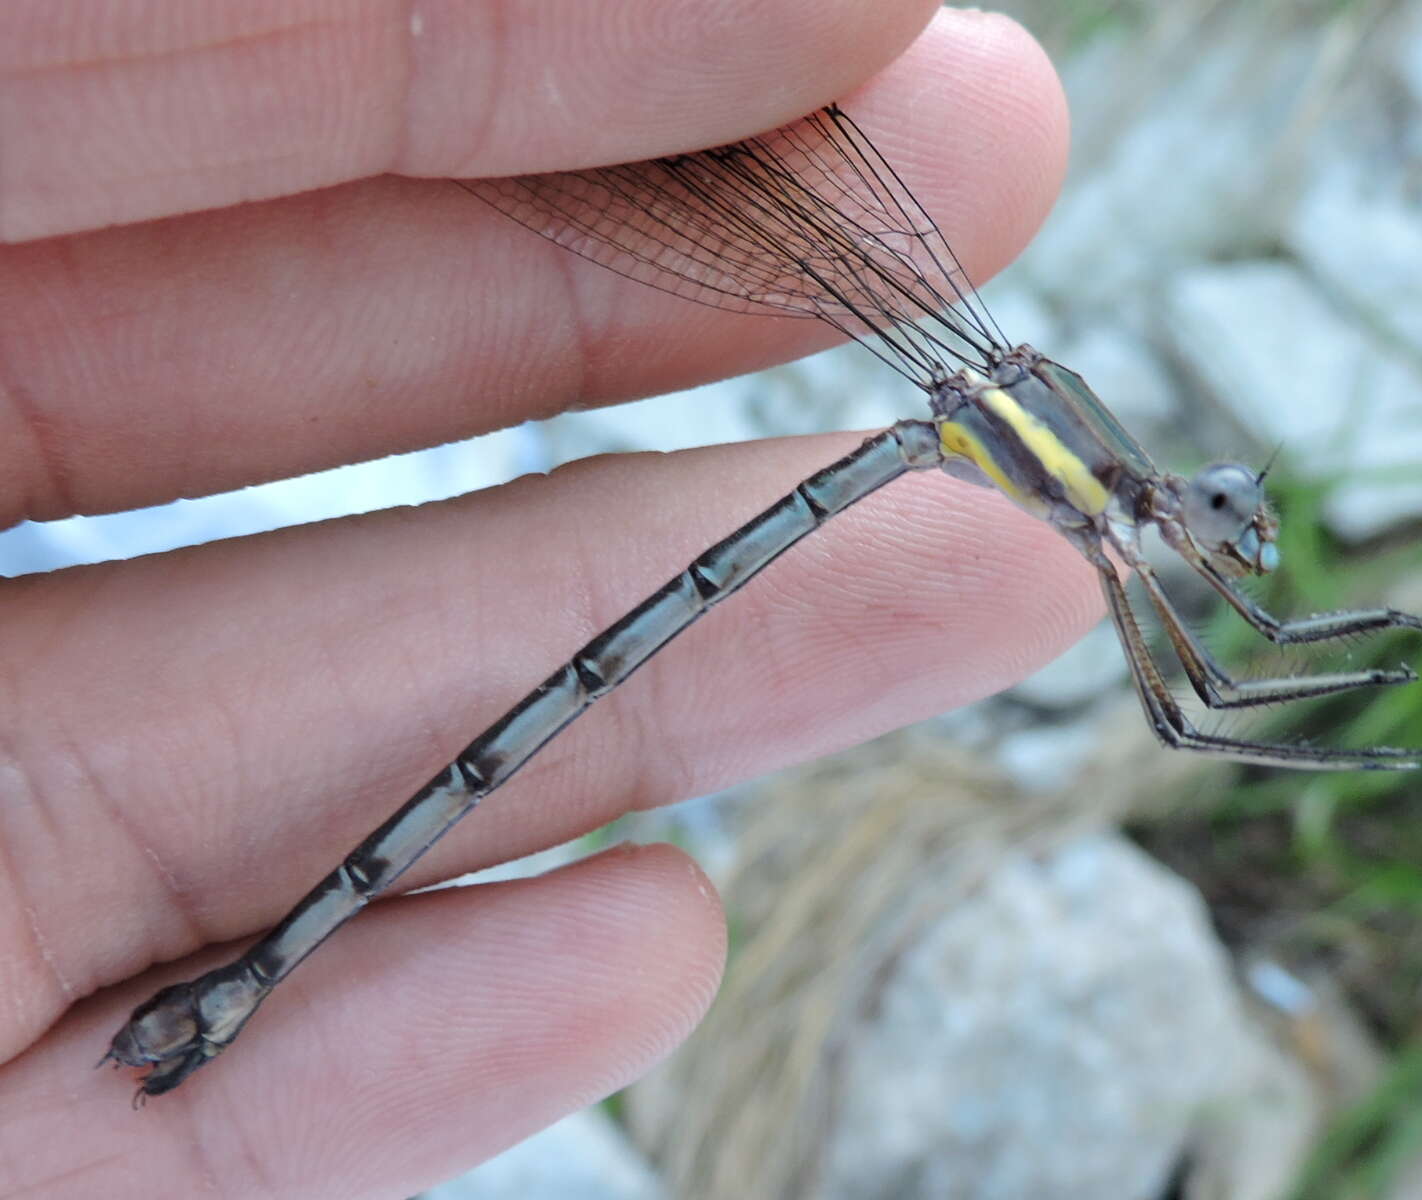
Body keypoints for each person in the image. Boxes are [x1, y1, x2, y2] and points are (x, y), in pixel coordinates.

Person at [0, 3, 1086, 1193]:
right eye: (1229, 516)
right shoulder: (1072, 471)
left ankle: (235, 995)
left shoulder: (1072, 477)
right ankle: (238, 991)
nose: (1233, 537)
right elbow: (1206, 700)